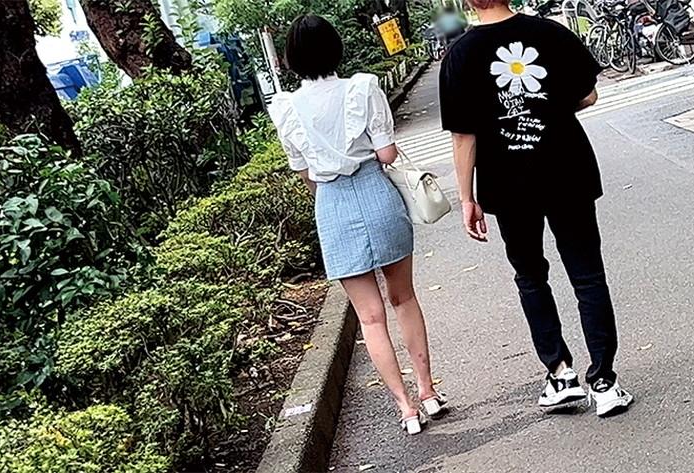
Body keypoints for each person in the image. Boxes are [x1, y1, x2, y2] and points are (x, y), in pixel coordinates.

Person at [439, 0, 634, 417]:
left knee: (530, 277)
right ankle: (604, 382)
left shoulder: (460, 54)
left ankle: (561, 375)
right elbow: (588, 94)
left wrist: (467, 198)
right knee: (587, 275)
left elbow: (463, 136)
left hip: (508, 183)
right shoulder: (551, 33)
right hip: (568, 170)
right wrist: (549, 107)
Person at [269, 14, 446, 435]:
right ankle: (428, 392)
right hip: (376, 194)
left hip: (332, 206)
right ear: (335, 48)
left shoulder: (285, 107)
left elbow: (305, 173)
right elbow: (386, 155)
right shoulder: (362, 88)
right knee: (403, 298)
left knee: (370, 317)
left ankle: (405, 409)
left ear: (291, 58)